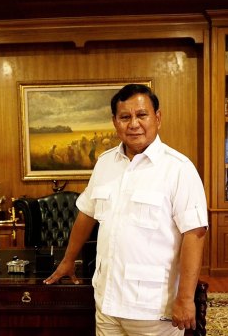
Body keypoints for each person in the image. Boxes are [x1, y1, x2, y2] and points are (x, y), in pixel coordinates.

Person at [44, 83, 209, 335]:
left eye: (141, 115)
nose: (134, 124)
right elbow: (86, 214)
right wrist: (68, 260)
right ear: (115, 122)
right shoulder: (105, 163)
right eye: (125, 117)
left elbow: (194, 234)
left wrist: (185, 298)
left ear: (158, 117)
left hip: (153, 308)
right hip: (107, 302)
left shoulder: (178, 168)